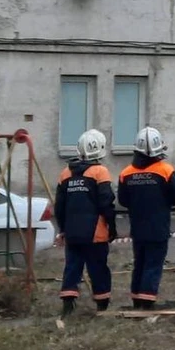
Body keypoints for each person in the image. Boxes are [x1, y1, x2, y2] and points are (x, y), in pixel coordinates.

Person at [118, 126, 175, 309]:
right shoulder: (165, 170)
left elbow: (123, 200)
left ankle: (136, 299)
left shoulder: (126, 173)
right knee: (153, 264)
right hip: (159, 227)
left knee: (139, 263)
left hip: (137, 228)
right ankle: (147, 302)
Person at [55, 129, 117, 317]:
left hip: (73, 232)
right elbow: (106, 202)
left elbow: (60, 206)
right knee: (98, 268)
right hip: (95, 233)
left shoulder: (65, 173)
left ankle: (68, 304)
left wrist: (63, 229)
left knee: (72, 267)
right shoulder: (100, 172)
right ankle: (102, 304)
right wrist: (112, 227)